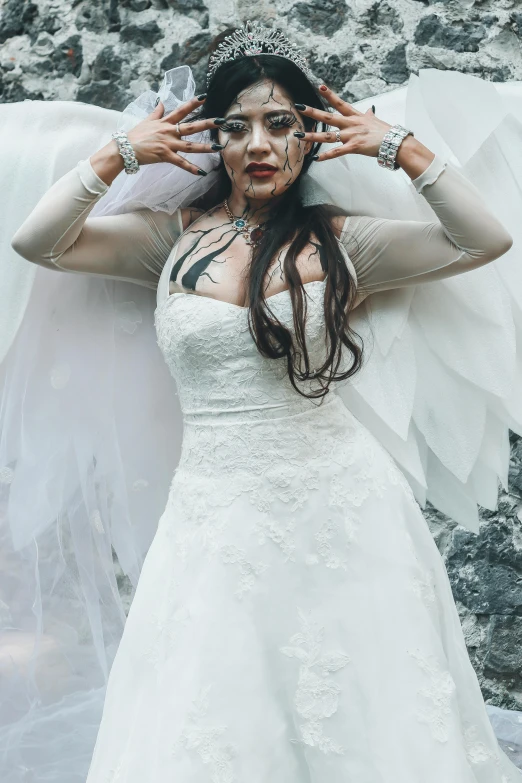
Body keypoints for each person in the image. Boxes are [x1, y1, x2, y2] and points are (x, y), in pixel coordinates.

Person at [3, 19, 522, 783]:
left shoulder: (345, 243)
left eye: (280, 123)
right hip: (213, 519)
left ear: (308, 136)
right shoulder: (169, 239)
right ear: (214, 140)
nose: (259, 145)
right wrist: (119, 155)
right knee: (217, 710)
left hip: (343, 511)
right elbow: (37, 242)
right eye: (237, 127)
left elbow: (483, 241)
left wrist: (400, 148)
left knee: (361, 709)